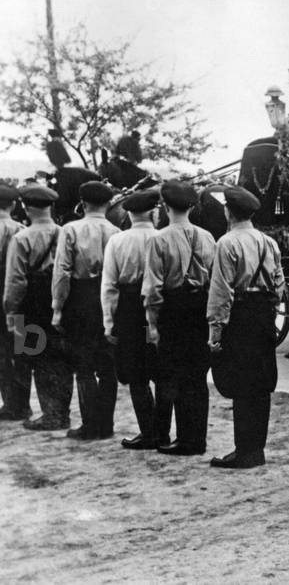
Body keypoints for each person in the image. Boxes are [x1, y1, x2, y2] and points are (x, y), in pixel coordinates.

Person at [207, 186, 286, 469]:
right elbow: (279, 287)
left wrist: (215, 333)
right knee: (261, 384)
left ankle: (244, 451)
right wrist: (268, 313)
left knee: (241, 384)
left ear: (228, 211)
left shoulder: (226, 243)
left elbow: (221, 293)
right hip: (263, 316)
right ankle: (256, 449)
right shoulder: (269, 242)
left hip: (239, 317)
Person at [144, 181, 216, 456]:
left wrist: (152, 324)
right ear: (192, 206)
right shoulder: (207, 237)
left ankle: (181, 439)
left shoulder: (158, 239)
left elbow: (152, 289)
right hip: (200, 308)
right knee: (197, 376)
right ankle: (196, 438)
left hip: (172, 310)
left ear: (165, 205)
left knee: (173, 373)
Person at [52, 181, 120, 440]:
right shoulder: (116, 230)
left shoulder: (70, 229)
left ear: (82, 202)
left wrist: (57, 308)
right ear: (108, 203)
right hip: (109, 295)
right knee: (107, 365)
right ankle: (107, 424)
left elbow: (62, 272)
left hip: (79, 297)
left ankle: (90, 425)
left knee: (83, 365)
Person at [3, 186, 71, 430]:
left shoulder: (21, 238)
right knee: (61, 359)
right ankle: (62, 412)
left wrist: (11, 313)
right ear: (50, 207)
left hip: (29, 306)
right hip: (60, 302)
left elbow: (16, 281)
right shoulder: (65, 232)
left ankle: (49, 415)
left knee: (32, 357)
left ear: (27, 208)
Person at [102, 189, 162, 449]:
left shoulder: (118, 240)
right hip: (161, 304)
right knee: (163, 371)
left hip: (128, 306)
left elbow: (110, 285)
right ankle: (164, 432)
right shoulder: (163, 238)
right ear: (154, 212)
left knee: (136, 373)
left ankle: (148, 432)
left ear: (127, 213)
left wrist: (108, 320)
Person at [0, 185, 27, 420]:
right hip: (19, 297)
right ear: (14, 205)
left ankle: (9, 403)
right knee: (21, 349)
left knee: (1, 353)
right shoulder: (21, 229)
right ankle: (24, 403)